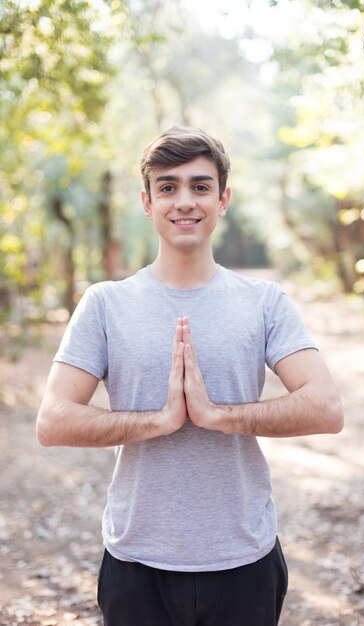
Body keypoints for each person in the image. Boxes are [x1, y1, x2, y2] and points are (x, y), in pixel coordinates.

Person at [37, 125, 344, 626]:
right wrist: (157, 421)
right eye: (168, 187)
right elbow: (52, 421)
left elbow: (327, 409)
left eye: (200, 186)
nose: (185, 201)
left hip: (244, 559)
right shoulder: (105, 304)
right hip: (137, 563)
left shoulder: (265, 302)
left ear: (223, 200)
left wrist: (218, 416)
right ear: (147, 201)